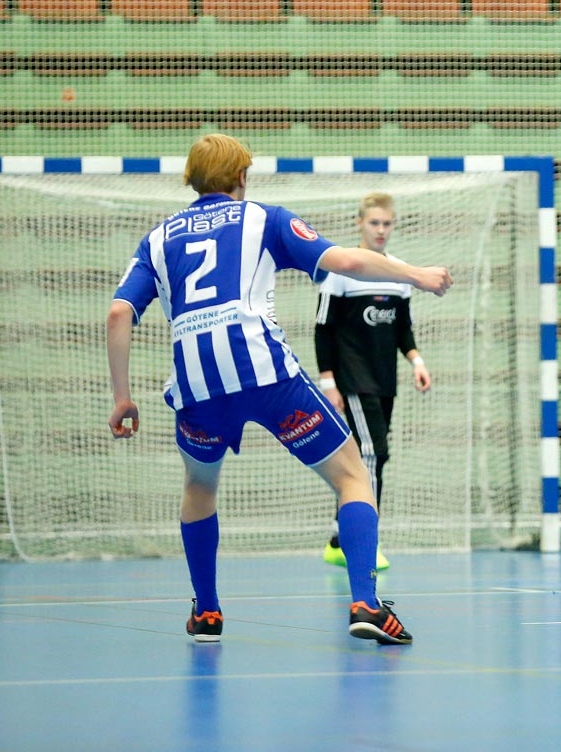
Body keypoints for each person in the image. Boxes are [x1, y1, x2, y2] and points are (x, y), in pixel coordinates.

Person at [106, 134, 454, 645]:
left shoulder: (157, 240)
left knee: (200, 488)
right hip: (266, 376)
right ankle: (366, 603)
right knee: (353, 475)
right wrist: (417, 275)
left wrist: (122, 397)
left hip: (198, 390)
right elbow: (350, 262)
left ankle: (207, 612)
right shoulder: (262, 218)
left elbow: (119, 313)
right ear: (242, 179)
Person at [314, 192, 432, 572]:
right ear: (359, 223)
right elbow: (323, 330)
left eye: (387, 224)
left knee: (374, 455)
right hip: (353, 379)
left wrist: (416, 361)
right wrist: (328, 381)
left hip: (385, 381)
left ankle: (338, 537)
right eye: (374, 223)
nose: (380, 230)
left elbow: (403, 329)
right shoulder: (341, 271)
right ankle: (364, 543)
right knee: (368, 455)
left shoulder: (399, 274)